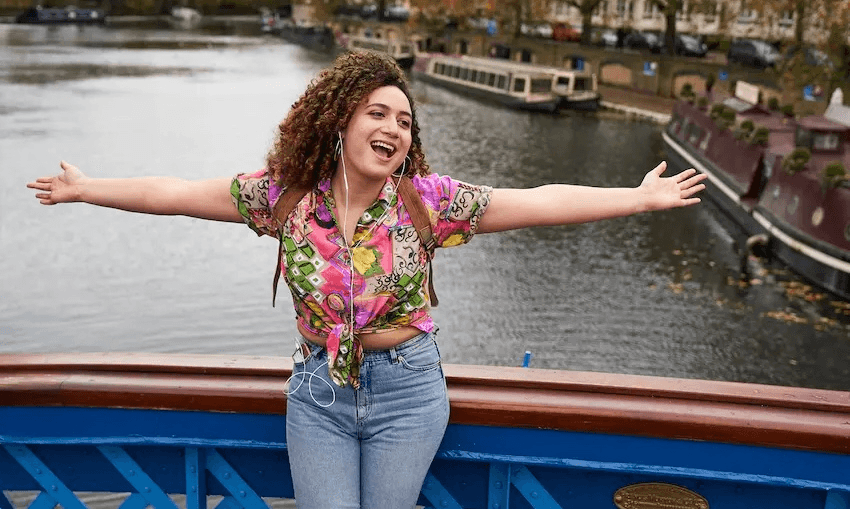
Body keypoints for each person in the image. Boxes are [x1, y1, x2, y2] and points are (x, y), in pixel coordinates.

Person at [27, 51, 706, 509]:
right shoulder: (284, 199)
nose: (394, 129)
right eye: (378, 113)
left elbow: (537, 200)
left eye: (405, 121)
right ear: (340, 120)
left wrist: (636, 197)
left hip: (409, 391)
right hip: (318, 394)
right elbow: (173, 191)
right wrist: (88, 189)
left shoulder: (427, 202)